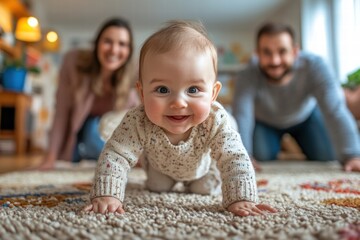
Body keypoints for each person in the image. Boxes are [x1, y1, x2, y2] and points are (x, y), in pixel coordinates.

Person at [84, 20, 277, 216]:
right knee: (157, 186)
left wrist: (241, 197)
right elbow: (116, 154)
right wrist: (108, 194)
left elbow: (234, 157)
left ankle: (206, 177)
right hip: (160, 168)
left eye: (193, 90)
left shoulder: (214, 119)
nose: (178, 103)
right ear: (142, 94)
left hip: (202, 169)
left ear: (213, 93)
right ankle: (159, 174)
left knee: (203, 189)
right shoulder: (138, 119)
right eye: (162, 89)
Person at [232, 22, 360, 172]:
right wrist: (243, 156)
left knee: (327, 155)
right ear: (257, 54)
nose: (275, 61)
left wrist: (353, 155)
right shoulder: (247, 75)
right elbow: (242, 115)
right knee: (263, 155)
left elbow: (335, 108)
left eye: (282, 51)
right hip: (266, 123)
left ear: (295, 51)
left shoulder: (316, 66)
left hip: (306, 117)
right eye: (266, 52)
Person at [38, 17, 140, 170]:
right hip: (77, 136)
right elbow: (61, 112)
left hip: (112, 138)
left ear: (129, 50)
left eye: (122, 44)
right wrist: (50, 158)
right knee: (92, 129)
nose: (114, 50)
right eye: (108, 41)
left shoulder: (136, 73)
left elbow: (139, 120)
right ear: (97, 44)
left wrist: (140, 159)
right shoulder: (73, 62)